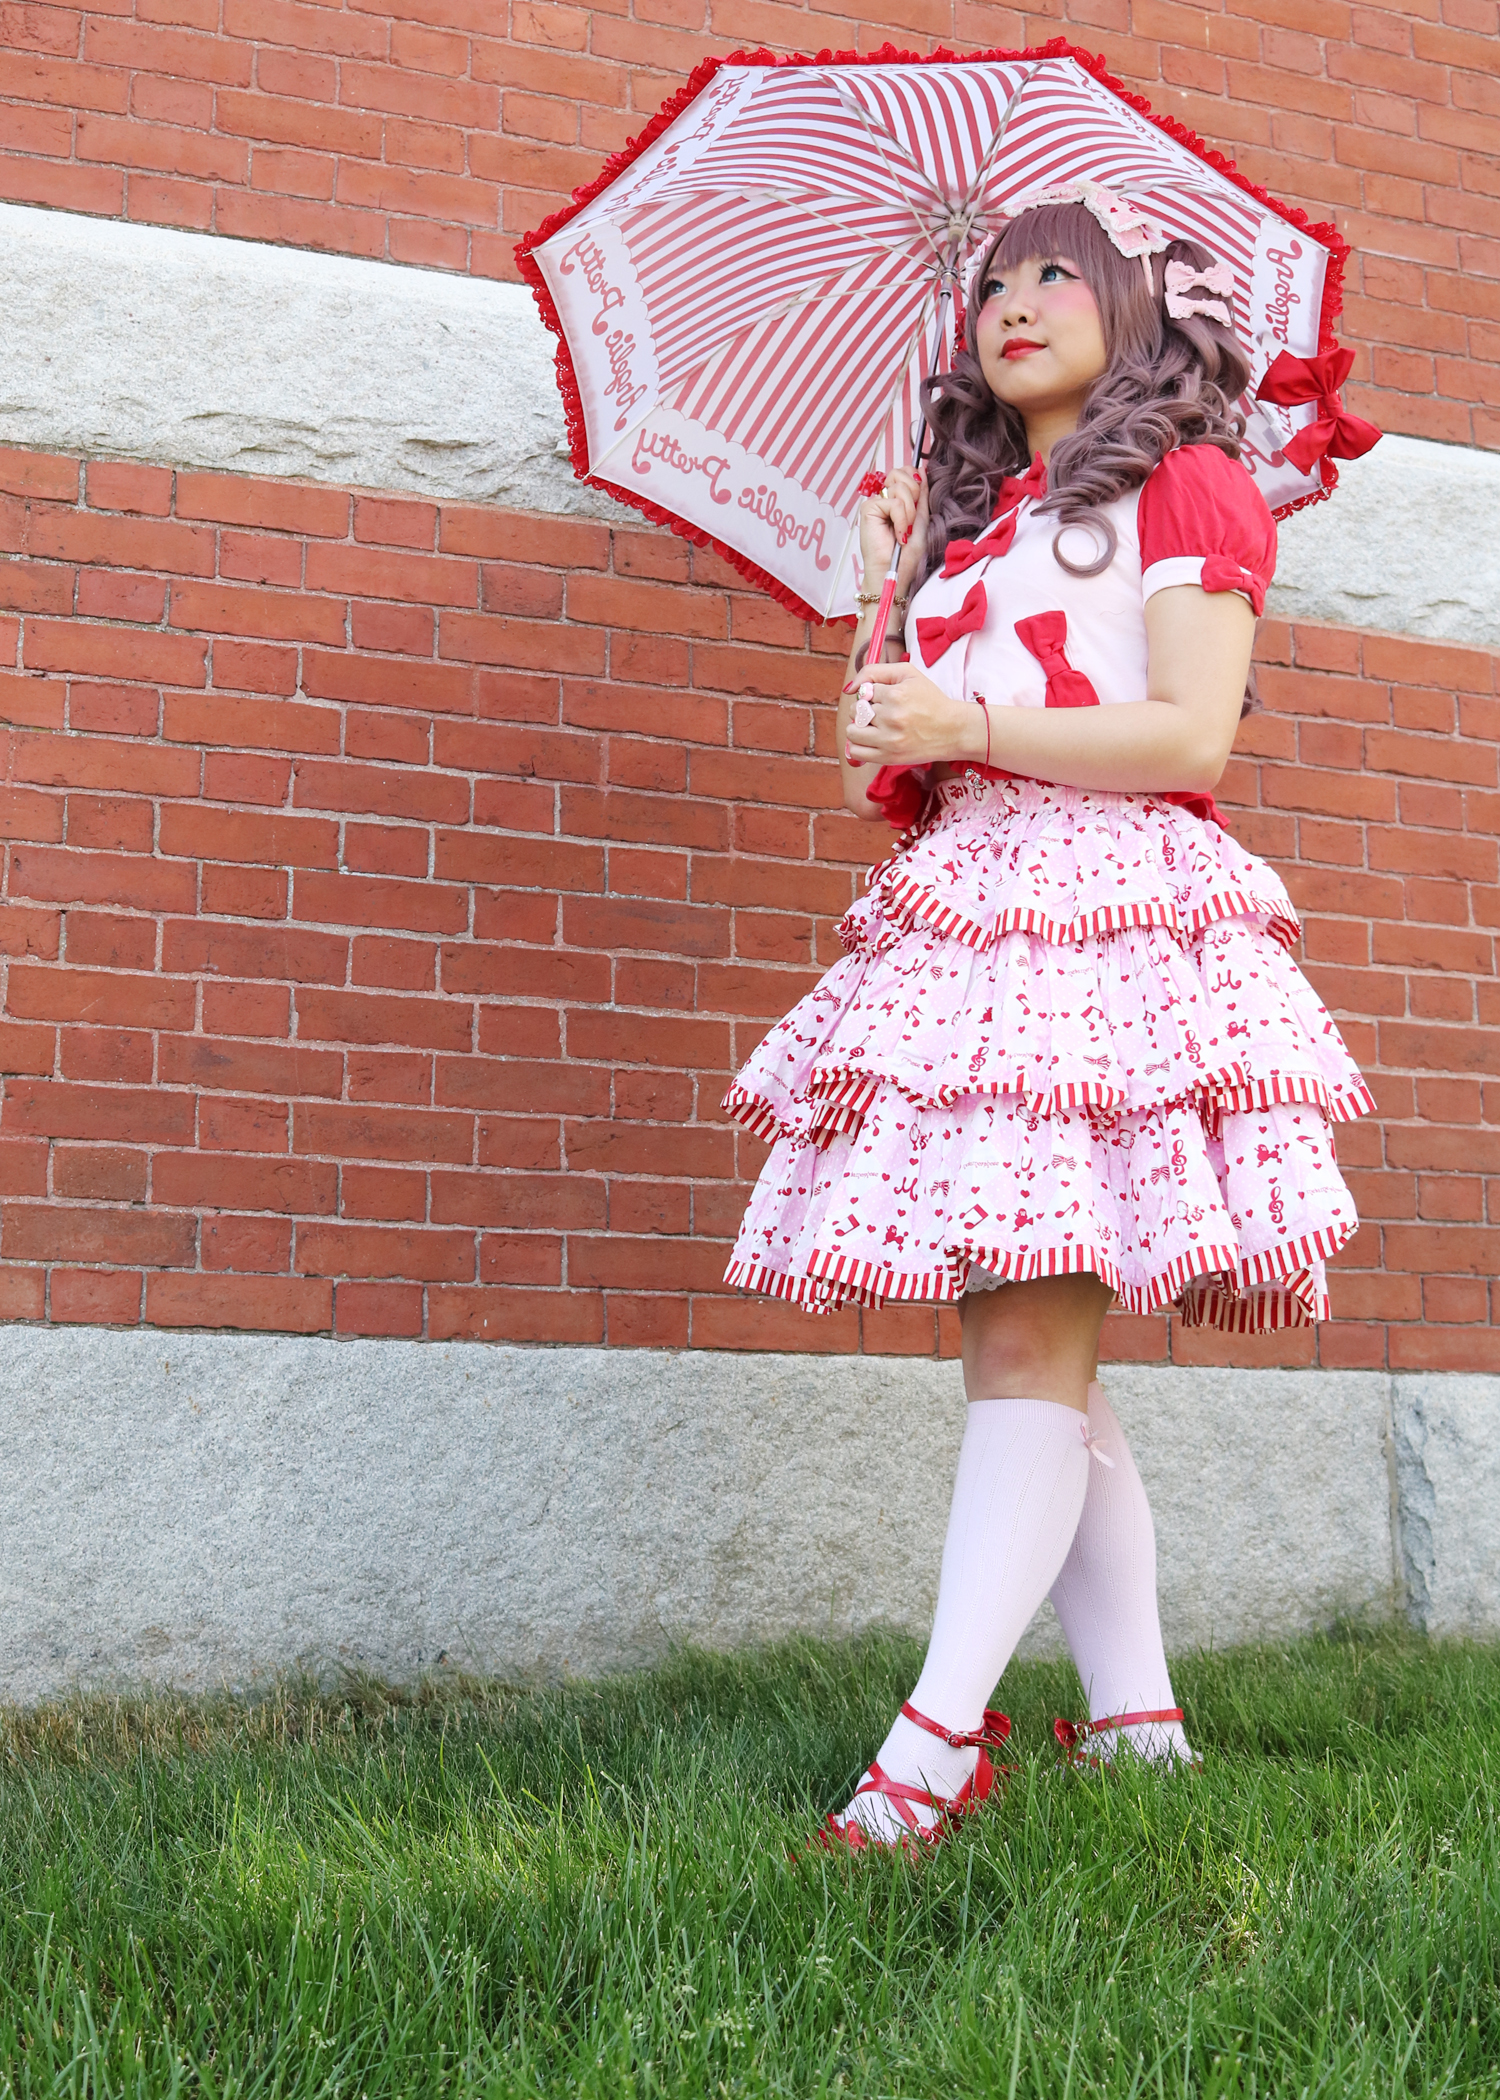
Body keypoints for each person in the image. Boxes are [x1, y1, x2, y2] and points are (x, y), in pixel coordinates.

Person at [720, 188, 1375, 1850]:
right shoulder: (969, 528)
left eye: (1056, 275)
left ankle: (931, 1748)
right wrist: (881, 598)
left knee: (1024, 1343)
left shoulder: (1187, 481)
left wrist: (974, 720)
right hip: (973, 918)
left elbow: (1193, 740)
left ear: (1134, 303)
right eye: (994, 282)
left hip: (1108, 925)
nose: (1013, 302)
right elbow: (881, 773)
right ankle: (1141, 1731)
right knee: (1034, 1353)